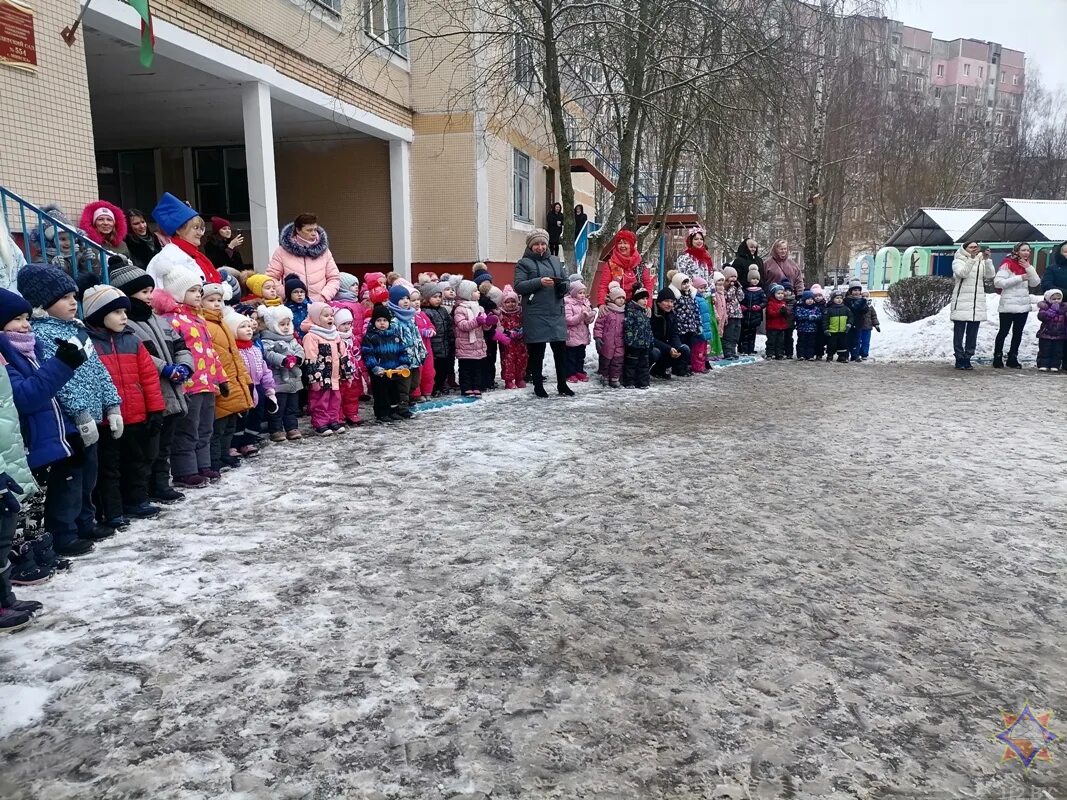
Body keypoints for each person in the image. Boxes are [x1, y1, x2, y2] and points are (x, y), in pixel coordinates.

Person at [18, 263, 123, 549]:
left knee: (89, 475)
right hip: (68, 423)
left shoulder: (78, 331)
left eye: (73, 296)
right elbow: (62, 381)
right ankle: (65, 534)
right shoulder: (42, 335)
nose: (72, 303)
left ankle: (85, 522)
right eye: (64, 298)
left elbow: (98, 370)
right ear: (43, 301)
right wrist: (80, 413)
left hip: (91, 418)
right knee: (69, 479)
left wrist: (112, 404)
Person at [0, 288, 92, 561]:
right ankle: (31, 556)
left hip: (52, 438)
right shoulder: (7, 357)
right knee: (31, 508)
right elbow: (26, 397)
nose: (26, 324)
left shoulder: (30, 348)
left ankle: (51, 546)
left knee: (55, 497)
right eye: (16, 319)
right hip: (30, 444)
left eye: (27, 317)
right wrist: (63, 364)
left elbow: (52, 397)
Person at [81, 281, 165, 525]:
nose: (123, 317)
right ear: (99, 314)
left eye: (125, 312)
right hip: (107, 421)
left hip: (136, 416)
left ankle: (136, 500)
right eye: (117, 312)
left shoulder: (132, 340)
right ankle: (112, 510)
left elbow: (149, 377)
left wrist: (156, 409)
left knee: (136, 462)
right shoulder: (89, 343)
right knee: (109, 468)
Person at [110, 259, 192, 502]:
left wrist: (184, 366)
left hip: (173, 392)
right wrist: (165, 369)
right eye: (144, 291)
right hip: (152, 396)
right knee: (150, 448)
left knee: (164, 446)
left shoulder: (159, 320)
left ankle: (160, 484)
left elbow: (180, 344)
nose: (149, 296)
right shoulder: (128, 326)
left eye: (150, 291)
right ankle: (144, 488)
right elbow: (142, 356)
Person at [150, 263, 227, 488]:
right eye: (192, 291)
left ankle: (203, 465)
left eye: (199, 291)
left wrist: (221, 378)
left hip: (208, 382)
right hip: (189, 384)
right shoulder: (171, 320)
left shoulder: (199, 319)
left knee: (205, 427)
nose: (198, 295)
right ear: (177, 293)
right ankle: (185, 470)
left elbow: (211, 353)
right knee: (188, 429)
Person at [514, 229, 574, 398]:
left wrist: (564, 286)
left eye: (543, 244)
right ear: (530, 246)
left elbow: (565, 279)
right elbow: (519, 285)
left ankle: (562, 384)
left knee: (560, 352)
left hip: (555, 311)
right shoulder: (523, 263)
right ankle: (538, 385)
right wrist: (539, 282)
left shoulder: (555, 260)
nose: (540, 247)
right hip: (535, 313)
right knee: (537, 353)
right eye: (536, 244)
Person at [201, 286, 254, 465]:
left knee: (230, 424)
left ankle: (225, 454)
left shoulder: (222, 323)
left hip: (233, 379)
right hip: (221, 381)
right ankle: (214, 459)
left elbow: (235, 356)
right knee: (218, 426)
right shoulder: (204, 324)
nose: (216, 304)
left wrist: (246, 379)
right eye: (211, 300)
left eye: (219, 300)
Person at [147, 193, 221, 285]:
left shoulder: (195, 255)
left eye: (201, 228)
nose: (200, 233)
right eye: (195, 228)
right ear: (178, 229)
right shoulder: (166, 258)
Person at [267, 213, 340, 303]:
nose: (313, 233)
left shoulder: (324, 252)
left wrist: (324, 296)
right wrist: (287, 294)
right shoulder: (282, 251)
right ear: (298, 230)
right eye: (309, 230)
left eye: (315, 230)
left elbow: (334, 278)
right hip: (291, 306)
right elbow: (270, 278)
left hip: (319, 306)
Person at [302, 302, 352, 433]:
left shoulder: (335, 335)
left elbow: (343, 354)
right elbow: (310, 357)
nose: (330, 318)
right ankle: (320, 422)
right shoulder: (311, 336)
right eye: (325, 316)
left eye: (331, 315)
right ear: (316, 318)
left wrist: (347, 372)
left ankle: (333, 419)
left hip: (335, 375)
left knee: (335, 399)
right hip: (321, 376)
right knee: (320, 399)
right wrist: (314, 378)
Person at [257, 305, 304, 440]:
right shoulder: (267, 339)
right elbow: (267, 353)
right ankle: (276, 429)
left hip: (293, 379)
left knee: (292, 406)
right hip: (278, 380)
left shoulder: (291, 339)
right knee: (278, 406)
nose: (285, 327)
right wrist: (282, 360)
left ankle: (292, 427)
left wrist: (298, 358)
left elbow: (299, 349)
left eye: (287, 324)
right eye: (281, 324)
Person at [992, 242, 1040, 369]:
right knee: (1003, 332)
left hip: (1023, 306)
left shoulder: (1028, 266)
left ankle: (1013, 356)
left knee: (1018, 333)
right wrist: (1020, 278)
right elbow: (998, 283)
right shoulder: (1007, 264)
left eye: (1028, 251)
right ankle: (997, 356)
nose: (1026, 253)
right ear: (1016, 251)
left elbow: (1035, 283)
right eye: (1023, 250)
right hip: (1008, 305)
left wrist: (1029, 267)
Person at [949, 241, 996, 370]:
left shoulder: (981, 261)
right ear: (965, 249)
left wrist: (987, 260)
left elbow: (990, 275)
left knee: (972, 333)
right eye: (971, 247)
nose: (974, 249)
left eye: (976, 247)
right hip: (962, 301)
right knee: (959, 332)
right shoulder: (958, 260)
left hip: (977, 302)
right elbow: (962, 273)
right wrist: (972, 259)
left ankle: (968, 357)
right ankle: (959, 357)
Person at [362, 304, 410, 422]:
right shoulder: (370, 337)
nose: (382, 323)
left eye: (384, 320)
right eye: (379, 320)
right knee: (381, 393)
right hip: (380, 372)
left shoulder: (395, 336)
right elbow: (368, 353)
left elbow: (402, 351)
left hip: (394, 371)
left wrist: (403, 364)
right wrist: (374, 367)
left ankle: (393, 411)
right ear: (374, 322)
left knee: (394, 392)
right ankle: (382, 413)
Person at [386, 284, 427, 414]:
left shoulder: (410, 317)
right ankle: (401, 406)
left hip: (414, 357)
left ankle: (406, 399)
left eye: (407, 298)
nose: (406, 301)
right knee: (404, 384)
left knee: (415, 382)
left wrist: (422, 352)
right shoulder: (393, 320)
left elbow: (416, 337)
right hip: (402, 359)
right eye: (402, 298)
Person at [594, 230, 655, 308]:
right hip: (615, 307)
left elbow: (648, 285)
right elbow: (603, 286)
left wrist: (648, 305)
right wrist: (601, 303)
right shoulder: (611, 264)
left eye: (625, 243)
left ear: (631, 245)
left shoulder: (640, 264)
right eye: (620, 243)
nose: (622, 246)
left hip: (637, 307)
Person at [452, 279, 490, 398]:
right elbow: (463, 325)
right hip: (465, 345)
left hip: (477, 345)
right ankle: (466, 387)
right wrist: (476, 321)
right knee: (466, 368)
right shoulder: (460, 309)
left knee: (478, 368)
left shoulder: (480, 308)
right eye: (475, 291)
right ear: (467, 294)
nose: (478, 293)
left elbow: (484, 327)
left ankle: (476, 386)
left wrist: (488, 323)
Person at [421, 282, 454, 396]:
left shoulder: (443, 310)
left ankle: (441, 385)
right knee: (435, 369)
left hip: (444, 345)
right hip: (434, 347)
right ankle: (434, 388)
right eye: (434, 297)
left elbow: (449, 326)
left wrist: (451, 340)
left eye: (439, 297)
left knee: (444, 368)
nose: (438, 299)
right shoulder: (425, 312)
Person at [651, 288, 690, 378]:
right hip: (655, 345)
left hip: (667, 345)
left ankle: (678, 370)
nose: (670, 304)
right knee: (655, 352)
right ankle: (655, 370)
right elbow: (650, 337)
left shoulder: (672, 315)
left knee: (684, 349)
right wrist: (668, 348)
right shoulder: (652, 314)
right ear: (659, 302)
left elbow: (674, 334)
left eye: (672, 302)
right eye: (666, 301)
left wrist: (676, 347)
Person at [564, 280, 595, 382]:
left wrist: (590, 316)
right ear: (573, 293)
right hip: (572, 336)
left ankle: (579, 371)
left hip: (582, 335)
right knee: (571, 357)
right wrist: (581, 316)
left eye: (583, 293)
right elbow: (569, 320)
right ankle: (570, 373)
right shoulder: (568, 304)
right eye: (580, 293)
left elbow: (588, 321)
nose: (582, 295)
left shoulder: (585, 303)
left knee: (581, 355)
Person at [623, 285, 652, 388]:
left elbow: (648, 328)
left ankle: (643, 382)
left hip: (644, 343)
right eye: (642, 299)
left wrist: (650, 340)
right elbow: (628, 327)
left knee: (644, 364)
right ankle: (629, 382)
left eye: (646, 299)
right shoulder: (631, 311)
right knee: (631, 364)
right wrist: (629, 341)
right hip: (634, 344)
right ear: (636, 299)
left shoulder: (644, 312)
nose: (645, 301)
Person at [1035, 289, 1066, 372]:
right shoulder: (1044, 307)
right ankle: (1043, 364)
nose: (1056, 301)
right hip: (1046, 333)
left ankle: (1055, 365)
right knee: (1045, 350)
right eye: (1054, 299)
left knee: (1057, 351)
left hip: (1060, 334)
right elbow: (1042, 317)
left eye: (1058, 299)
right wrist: (1052, 310)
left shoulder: (1063, 308)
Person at [739, 267, 766, 356]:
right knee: (745, 334)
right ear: (749, 279)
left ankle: (751, 349)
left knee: (752, 334)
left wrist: (759, 307)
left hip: (755, 316)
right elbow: (741, 300)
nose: (755, 281)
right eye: (753, 279)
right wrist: (742, 306)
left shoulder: (760, 291)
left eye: (757, 279)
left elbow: (764, 302)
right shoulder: (745, 290)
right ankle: (744, 349)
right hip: (746, 316)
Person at [823, 289, 854, 363]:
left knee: (843, 344)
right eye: (837, 298)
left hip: (843, 330)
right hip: (832, 331)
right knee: (831, 344)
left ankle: (842, 356)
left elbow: (851, 317)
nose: (839, 300)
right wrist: (826, 329)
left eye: (840, 298)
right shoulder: (829, 309)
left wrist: (849, 324)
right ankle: (830, 356)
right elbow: (825, 320)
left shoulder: (846, 309)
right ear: (833, 299)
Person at [721, 267, 744, 360]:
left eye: (735, 276)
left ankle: (733, 351)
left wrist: (739, 288)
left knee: (736, 334)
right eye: (731, 276)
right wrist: (731, 288)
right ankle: (727, 352)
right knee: (728, 334)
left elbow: (741, 298)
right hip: (729, 314)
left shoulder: (736, 287)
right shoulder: (724, 288)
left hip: (737, 313)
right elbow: (727, 297)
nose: (734, 279)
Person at [843, 280, 869, 362]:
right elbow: (853, 308)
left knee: (857, 340)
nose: (857, 292)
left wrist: (863, 303)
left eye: (858, 290)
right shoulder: (847, 300)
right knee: (847, 340)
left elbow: (865, 310)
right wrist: (862, 301)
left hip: (858, 323)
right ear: (850, 291)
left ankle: (855, 355)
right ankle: (846, 355)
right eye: (854, 290)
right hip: (848, 323)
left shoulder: (862, 300)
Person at [793, 291, 824, 361]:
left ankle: (810, 355)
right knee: (801, 342)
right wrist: (808, 317)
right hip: (802, 329)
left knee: (811, 343)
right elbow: (798, 316)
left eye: (812, 299)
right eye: (808, 299)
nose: (810, 301)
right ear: (804, 300)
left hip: (813, 330)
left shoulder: (815, 308)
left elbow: (820, 316)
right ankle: (801, 355)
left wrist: (814, 317)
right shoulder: (800, 308)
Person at [765, 283, 792, 360]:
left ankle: (779, 354)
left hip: (781, 326)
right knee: (771, 341)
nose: (780, 295)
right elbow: (770, 314)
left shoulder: (783, 303)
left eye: (782, 293)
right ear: (774, 294)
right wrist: (779, 312)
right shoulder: (770, 303)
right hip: (772, 326)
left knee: (780, 342)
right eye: (778, 293)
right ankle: (770, 354)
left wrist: (786, 312)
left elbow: (787, 315)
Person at [854, 289, 880, 362]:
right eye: (863, 296)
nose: (865, 297)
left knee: (866, 342)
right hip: (859, 327)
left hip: (868, 327)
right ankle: (857, 354)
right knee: (858, 341)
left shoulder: (870, 307)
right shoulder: (858, 305)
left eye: (866, 296)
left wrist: (876, 324)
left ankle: (864, 354)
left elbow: (874, 316)